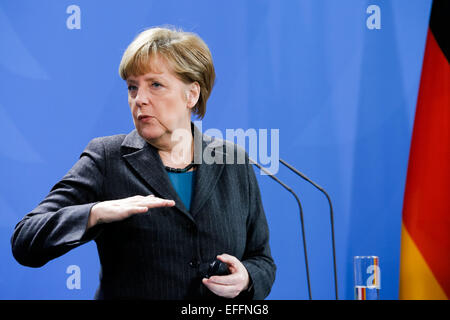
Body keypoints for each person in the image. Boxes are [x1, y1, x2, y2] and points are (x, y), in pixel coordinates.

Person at [11, 26, 276, 300]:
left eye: (156, 85)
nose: (140, 99)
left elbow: (262, 259)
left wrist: (246, 278)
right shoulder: (107, 158)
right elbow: (25, 240)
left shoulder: (232, 161)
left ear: (191, 94)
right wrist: (95, 213)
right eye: (132, 88)